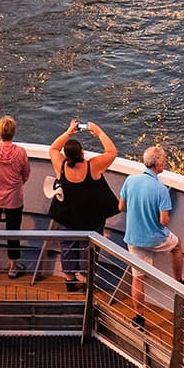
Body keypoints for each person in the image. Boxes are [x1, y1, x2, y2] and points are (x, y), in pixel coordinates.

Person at [46, 119, 118, 291]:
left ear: (67, 154)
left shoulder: (61, 165)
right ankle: (86, 282)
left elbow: (53, 148)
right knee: (89, 248)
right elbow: (112, 152)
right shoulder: (92, 167)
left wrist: (69, 132)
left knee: (68, 245)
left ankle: (70, 280)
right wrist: (99, 132)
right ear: (81, 153)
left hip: (67, 216)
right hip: (91, 218)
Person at [121, 146, 184, 328]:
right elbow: (164, 221)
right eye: (163, 160)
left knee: (137, 278)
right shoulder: (161, 189)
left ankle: (139, 317)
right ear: (157, 163)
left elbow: (121, 206)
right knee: (177, 246)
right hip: (155, 239)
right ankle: (178, 281)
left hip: (133, 237)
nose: (165, 162)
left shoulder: (130, 180)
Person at [0, 117, 31, 277]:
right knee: (14, 232)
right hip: (14, 199)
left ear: (0, 132)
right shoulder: (21, 152)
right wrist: (15, 184)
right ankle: (13, 268)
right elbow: (26, 174)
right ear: (13, 132)